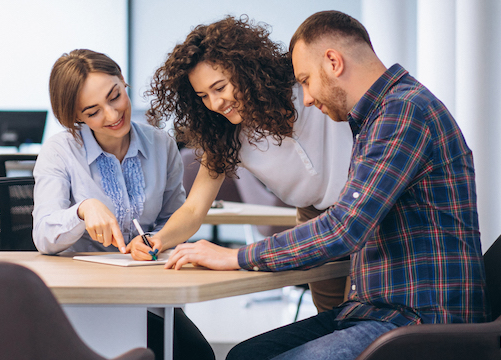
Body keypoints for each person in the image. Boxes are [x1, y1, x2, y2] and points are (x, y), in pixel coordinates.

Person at [164, 11, 489, 360]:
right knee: (245, 355)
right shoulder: (377, 116)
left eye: (304, 80)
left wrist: (236, 256)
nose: (304, 98)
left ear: (333, 62)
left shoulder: (403, 113)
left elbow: (345, 228)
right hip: (376, 309)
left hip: (419, 319)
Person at [142, 15, 353, 313]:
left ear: (245, 70)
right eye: (203, 96)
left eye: (220, 87)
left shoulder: (304, 87)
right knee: (333, 322)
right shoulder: (225, 134)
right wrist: (157, 240)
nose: (215, 104)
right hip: (313, 219)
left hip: (365, 205)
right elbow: (192, 209)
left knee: (366, 319)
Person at [32, 49, 214, 360]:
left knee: (196, 355)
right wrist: (83, 209)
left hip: (147, 293)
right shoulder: (59, 151)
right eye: (93, 112)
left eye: (115, 96)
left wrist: (154, 240)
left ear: (123, 81)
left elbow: (174, 218)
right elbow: (44, 236)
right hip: (83, 299)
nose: (113, 115)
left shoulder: (161, 144)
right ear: (76, 117)